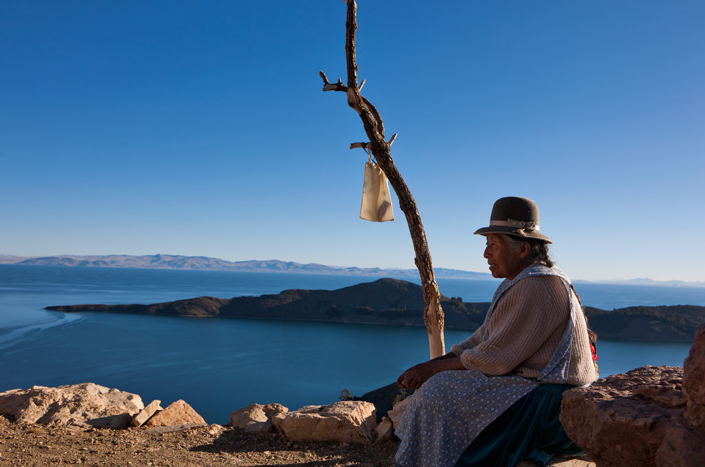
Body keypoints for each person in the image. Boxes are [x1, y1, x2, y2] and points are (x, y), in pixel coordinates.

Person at [395, 196, 597, 467]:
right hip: (539, 392)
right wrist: (433, 365)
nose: (486, 254)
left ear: (523, 248)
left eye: (493, 245)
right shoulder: (521, 281)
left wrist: (431, 370)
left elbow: (495, 359)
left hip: (553, 404)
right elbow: (482, 340)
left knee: (440, 390)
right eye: (486, 245)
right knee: (439, 384)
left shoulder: (537, 286)